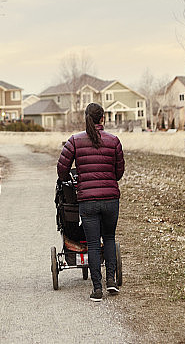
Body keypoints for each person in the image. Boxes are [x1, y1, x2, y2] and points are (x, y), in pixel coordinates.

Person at [56, 102, 124, 302]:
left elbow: (62, 170)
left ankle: (96, 289)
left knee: (93, 244)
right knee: (109, 238)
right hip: (111, 199)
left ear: (85, 118)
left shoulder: (75, 141)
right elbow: (118, 172)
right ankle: (110, 281)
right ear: (103, 118)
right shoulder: (114, 141)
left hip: (87, 201)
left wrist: (73, 180)